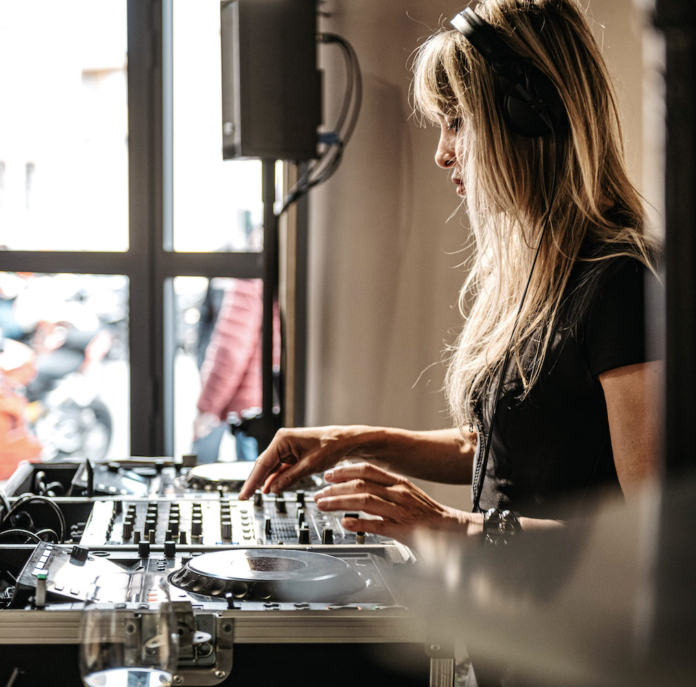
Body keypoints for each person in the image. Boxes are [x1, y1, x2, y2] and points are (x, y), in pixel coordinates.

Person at [239, 0, 662, 547]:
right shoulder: (539, 268)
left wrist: (453, 524)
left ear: (529, 116)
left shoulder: (624, 281)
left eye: (458, 123)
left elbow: (652, 542)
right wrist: (347, 441)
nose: (442, 154)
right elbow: (498, 448)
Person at [193, 279, 280, 463]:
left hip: (246, 406)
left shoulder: (247, 283)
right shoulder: (259, 282)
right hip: (255, 400)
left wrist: (207, 408)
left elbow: (230, 352)